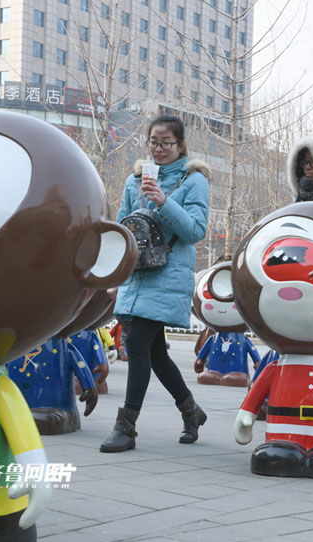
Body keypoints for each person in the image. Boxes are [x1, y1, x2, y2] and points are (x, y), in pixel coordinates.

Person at [101, 115, 210, 453]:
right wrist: (112, 274)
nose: (159, 149)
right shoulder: (136, 179)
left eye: (166, 143)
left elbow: (195, 230)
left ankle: (126, 426)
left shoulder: (195, 181)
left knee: (136, 346)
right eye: (154, 142)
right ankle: (191, 410)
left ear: (181, 146)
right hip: (137, 274)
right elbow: (121, 227)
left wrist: (164, 200)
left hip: (168, 274)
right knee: (155, 352)